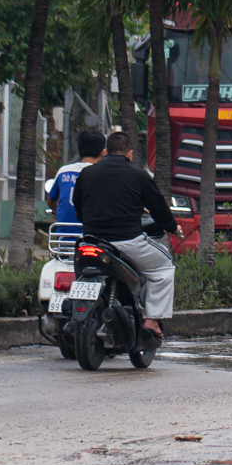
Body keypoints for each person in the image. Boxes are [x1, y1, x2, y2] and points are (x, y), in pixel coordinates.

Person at [71, 132, 180, 337]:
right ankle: (152, 321)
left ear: (106, 152)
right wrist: (172, 227)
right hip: (128, 242)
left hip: (91, 241)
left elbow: (79, 208)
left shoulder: (87, 174)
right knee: (164, 267)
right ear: (129, 154)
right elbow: (158, 208)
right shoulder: (138, 175)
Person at [48, 130, 105, 229]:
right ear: (103, 152)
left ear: (78, 151)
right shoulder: (104, 174)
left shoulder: (63, 171)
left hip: (64, 238)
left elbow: (51, 201)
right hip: (93, 238)